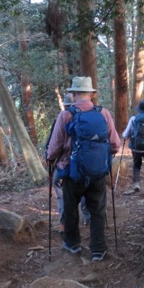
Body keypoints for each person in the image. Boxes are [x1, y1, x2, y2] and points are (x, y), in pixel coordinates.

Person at [46, 77, 121, 262]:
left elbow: (54, 148)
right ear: (91, 93)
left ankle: (73, 245)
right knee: (97, 209)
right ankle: (98, 249)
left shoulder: (66, 115)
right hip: (97, 172)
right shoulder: (103, 113)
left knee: (71, 209)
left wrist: (50, 159)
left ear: (73, 94)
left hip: (71, 172)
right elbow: (115, 144)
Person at [53, 93, 90, 229]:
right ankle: (87, 217)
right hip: (90, 163)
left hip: (68, 164)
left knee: (58, 184)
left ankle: (65, 220)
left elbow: (54, 145)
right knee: (87, 186)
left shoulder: (63, 117)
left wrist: (50, 159)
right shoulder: (95, 114)